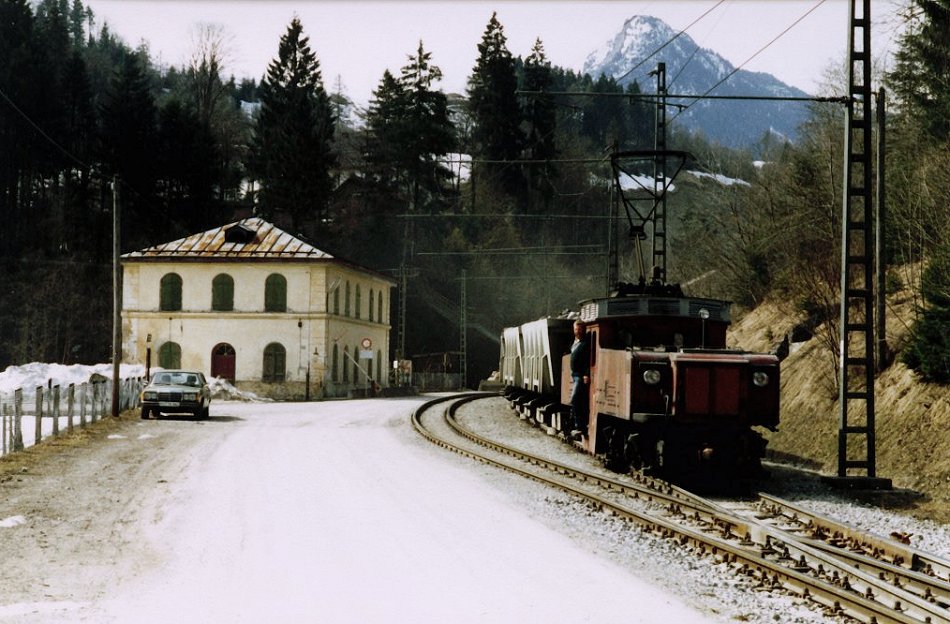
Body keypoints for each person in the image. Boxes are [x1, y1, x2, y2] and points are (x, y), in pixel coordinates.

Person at [569, 319, 590, 441]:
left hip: (580, 375)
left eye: (580, 329)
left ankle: (580, 426)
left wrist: (586, 374)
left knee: (576, 398)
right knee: (578, 399)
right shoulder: (576, 342)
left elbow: (588, 359)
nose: (578, 331)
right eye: (576, 329)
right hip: (574, 374)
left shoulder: (585, 343)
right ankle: (578, 424)